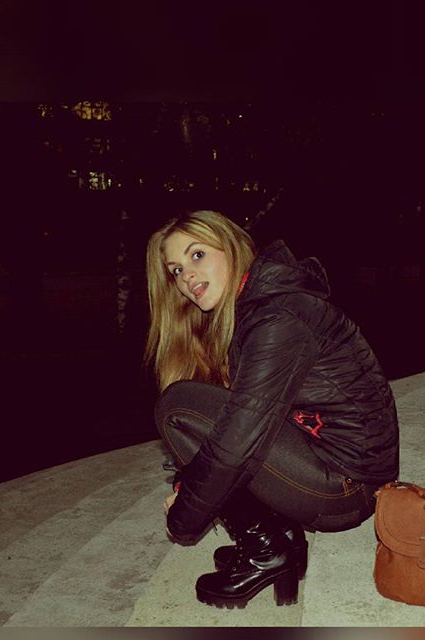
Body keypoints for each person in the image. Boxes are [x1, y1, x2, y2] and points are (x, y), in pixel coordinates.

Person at [145, 210, 399, 609]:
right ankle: (280, 540)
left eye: (197, 255)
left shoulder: (278, 318)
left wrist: (185, 515)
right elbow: (242, 422)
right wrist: (189, 483)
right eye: (176, 270)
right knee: (215, 417)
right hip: (329, 459)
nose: (187, 276)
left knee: (179, 407)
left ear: (231, 248)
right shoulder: (258, 307)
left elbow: (237, 441)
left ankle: (266, 552)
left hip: (348, 485)